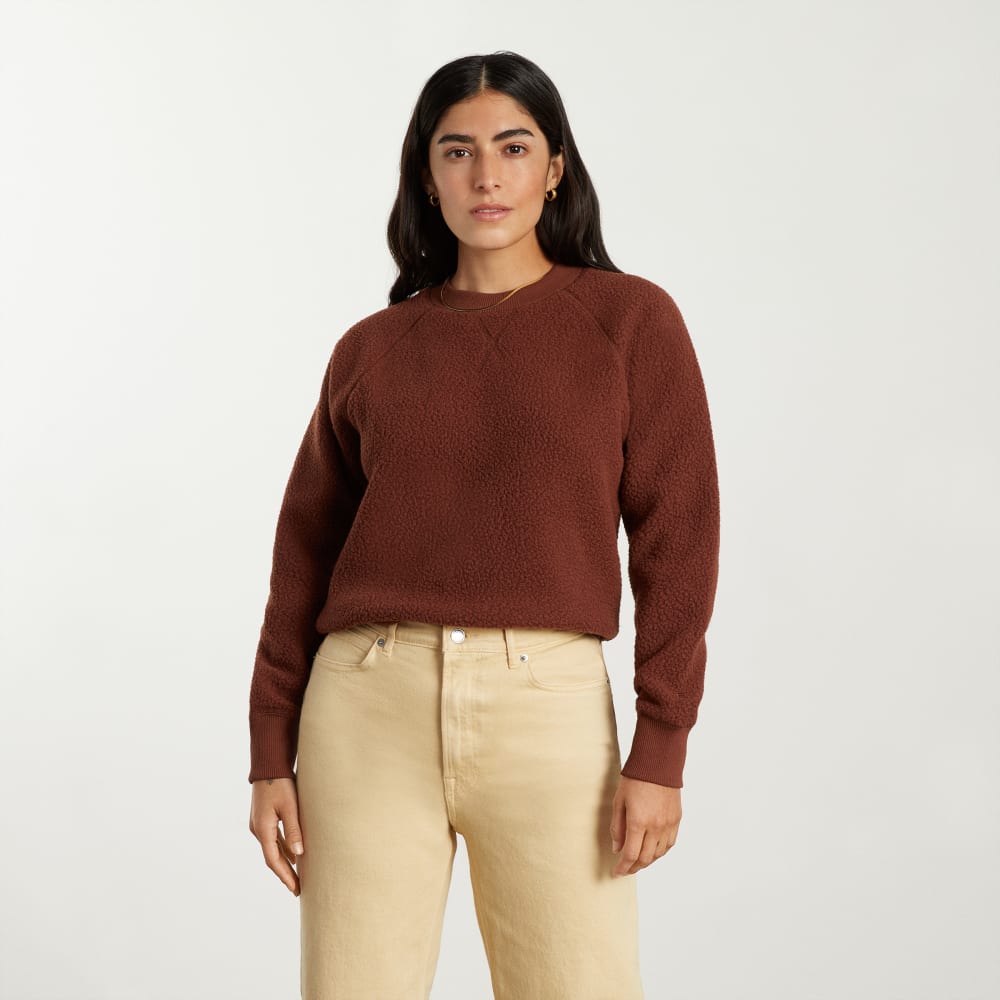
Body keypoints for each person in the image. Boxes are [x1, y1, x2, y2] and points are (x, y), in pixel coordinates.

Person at [247, 50, 720, 1000]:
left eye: (514, 147)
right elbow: (304, 552)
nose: (486, 176)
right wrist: (269, 753)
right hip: (366, 706)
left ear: (555, 169)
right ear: (428, 176)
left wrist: (661, 747)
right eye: (457, 151)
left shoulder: (629, 322)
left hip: (547, 707)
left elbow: (680, 537)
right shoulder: (372, 349)